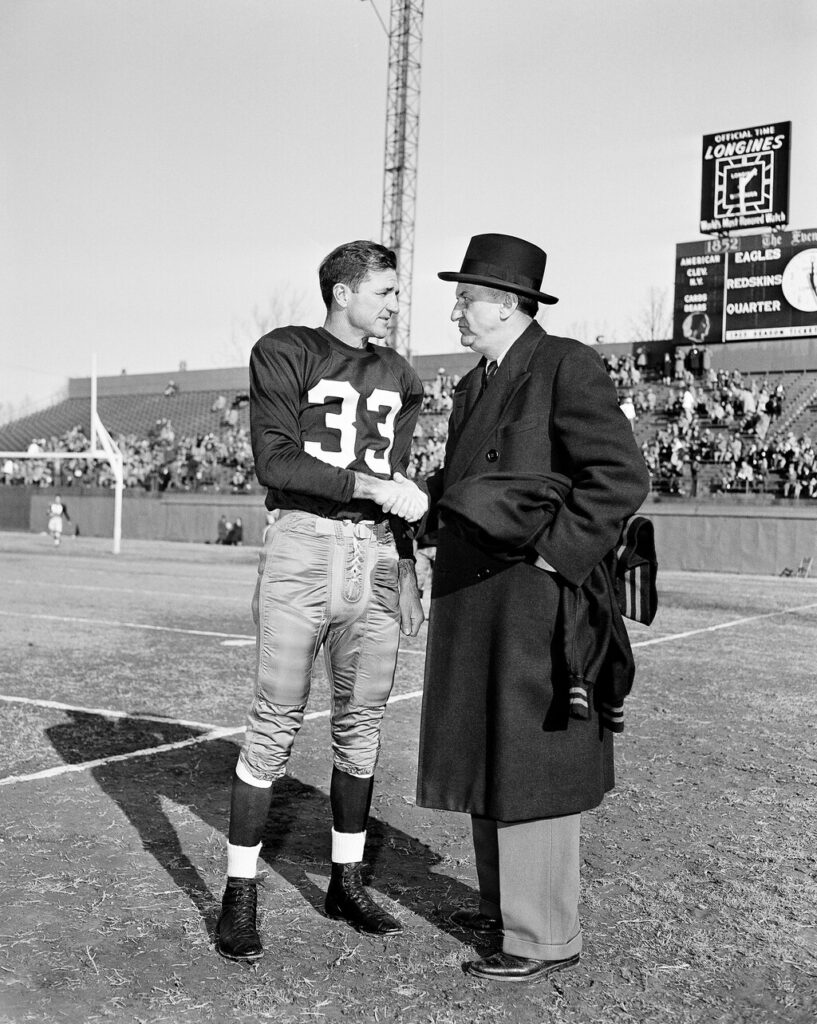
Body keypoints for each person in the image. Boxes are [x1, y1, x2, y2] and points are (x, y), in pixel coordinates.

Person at [416, 234, 650, 983]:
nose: (456, 310)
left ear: (509, 305)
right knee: (491, 746)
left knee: (532, 758)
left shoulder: (564, 364)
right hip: (478, 597)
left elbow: (618, 475)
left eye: (467, 297)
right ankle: (501, 906)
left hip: (533, 598)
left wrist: (558, 555)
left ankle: (543, 934)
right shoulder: (475, 381)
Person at [216, 239, 428, 962]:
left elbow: (393, 474)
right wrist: (372, 488)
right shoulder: (285, 349)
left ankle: (346, 878)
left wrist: (405, 559)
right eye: (386, 291)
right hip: (304, 545)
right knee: (274, 722)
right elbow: (276, 460)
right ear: (343, 292)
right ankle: (239, 891)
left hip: (372, 552)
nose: (396, 303)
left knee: (361, 723)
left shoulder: (400, 373)